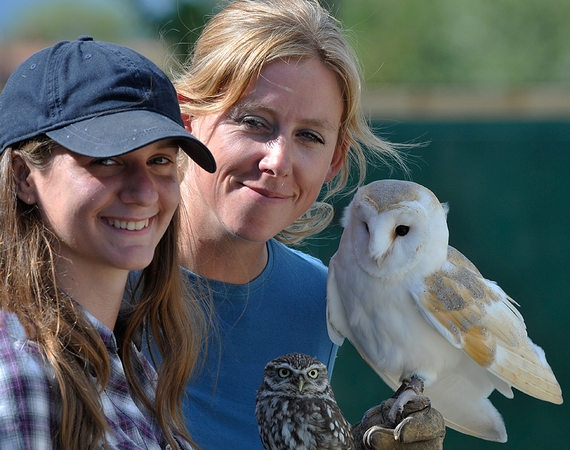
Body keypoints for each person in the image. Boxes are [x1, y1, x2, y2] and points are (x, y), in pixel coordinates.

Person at [171, 1, 443, 449]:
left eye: (309, 136)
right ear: (187, 121)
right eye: (254, 122)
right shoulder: (98, 275)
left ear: (335, 159)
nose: (278, 160)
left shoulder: (321, 295)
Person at [0, 36, 216, 449]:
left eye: (160, 160)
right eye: (108, 159)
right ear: (23, 177)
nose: (143, 192)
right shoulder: (20, 370)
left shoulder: (134, 369)